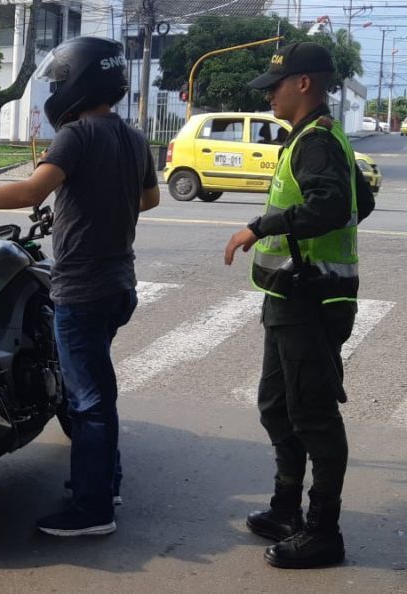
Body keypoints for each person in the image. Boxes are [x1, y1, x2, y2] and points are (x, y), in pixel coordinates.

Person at [0, 37, 159, 536]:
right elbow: (149, 198)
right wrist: (95, 205)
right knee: (92, 388)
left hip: (82, 288)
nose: (54, 91)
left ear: (79, 82)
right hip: (118, 284)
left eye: (58, 81)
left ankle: (93, 510)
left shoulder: (77, 133)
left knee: (87, 399)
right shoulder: (133, 137)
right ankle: (104, 482)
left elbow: (31, 190)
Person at [224, 41, 374, 569]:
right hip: (289, 294)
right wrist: (299, 246)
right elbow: (362, 200)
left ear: (304, 84)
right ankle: (286, 507)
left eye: (275, 86)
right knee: (276, 405)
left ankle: (322, 531)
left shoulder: (318, 141)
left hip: (311, 299)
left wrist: (262, 227)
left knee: (313, 414)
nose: (269, 96)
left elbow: (332, 204)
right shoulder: (311, 139)